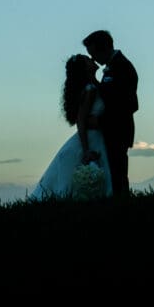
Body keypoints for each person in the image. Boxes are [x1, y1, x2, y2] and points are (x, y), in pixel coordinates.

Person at [31, 54, 113, 200]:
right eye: (88, 60)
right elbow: (81, 120)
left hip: (97, 135)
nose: (92, 60)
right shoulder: (90, 89)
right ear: (85, 68)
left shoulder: (95, 86)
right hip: (91, 138)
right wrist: (86, 150)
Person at [83, 30, 138, 196]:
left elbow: (126, 103)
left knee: (117, 171)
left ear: (105, 48)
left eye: (94, 54)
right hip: (111, 129)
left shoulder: (122, 67)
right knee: (113, 170)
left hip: (118, 129)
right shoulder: (112, 67)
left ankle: (121, 200)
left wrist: (100, 121)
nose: (93, 59)